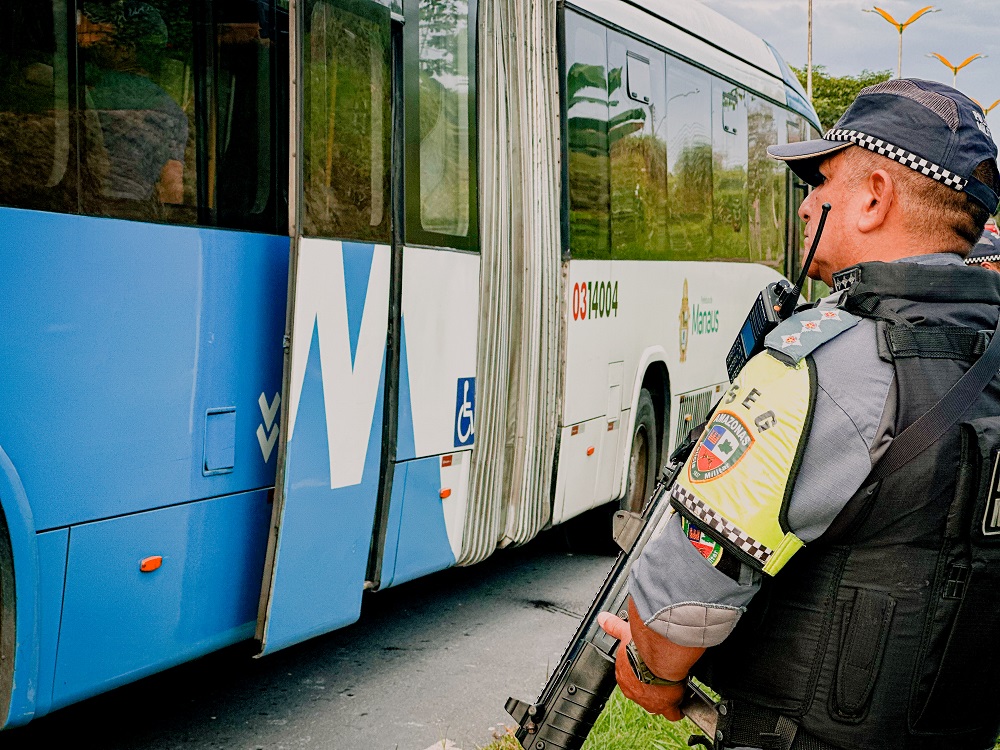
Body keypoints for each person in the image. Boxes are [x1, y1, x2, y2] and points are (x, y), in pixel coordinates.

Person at [599, 78, 1000, 750]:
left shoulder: (821, 364)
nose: (807, 204)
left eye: (819, 182)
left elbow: (680, 608)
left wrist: (649, 668)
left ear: (874, 196)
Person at [80, 1, 188, 216]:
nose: (92, 42)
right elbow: (172, 187)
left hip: (85, 204)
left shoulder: (89, 89)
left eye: (106, 38)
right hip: (135, 211)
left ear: (126, 50)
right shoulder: (172, 110)